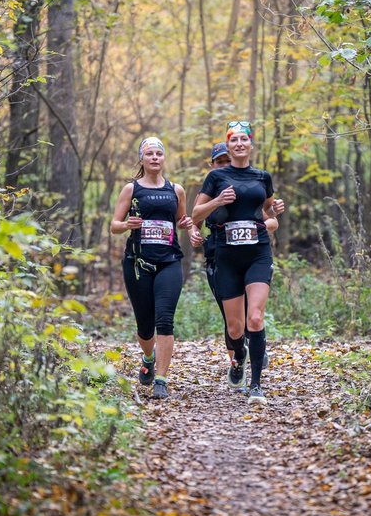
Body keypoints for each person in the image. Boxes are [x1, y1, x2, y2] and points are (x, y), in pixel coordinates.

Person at [191, 122, 280, 405]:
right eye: (234, 140)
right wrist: (217, 201)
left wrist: (274, 214)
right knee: (235, 328)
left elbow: (269, 210)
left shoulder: (262, 176)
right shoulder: (216, 177)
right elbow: (195, 216)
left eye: (244, 139)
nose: (239, 143)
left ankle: (256, 386)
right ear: (228, 146)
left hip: (258, 253)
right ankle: (238, 357)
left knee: (255, 317)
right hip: (227, 256)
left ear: (251, 145)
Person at [110, 136, 192, 399]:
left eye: (159, 153)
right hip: (138, 263)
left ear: (163, 158)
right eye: (150, 154)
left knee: (165, 319)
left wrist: (187, 225)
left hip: (169, 261)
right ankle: (148, 357)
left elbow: (181, 219)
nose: (155, 157)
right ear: (142, 159)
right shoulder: (131, 189)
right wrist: (127, 225)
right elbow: (114, 225)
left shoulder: (176, 190)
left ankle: (161, 378)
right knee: (145, 326)